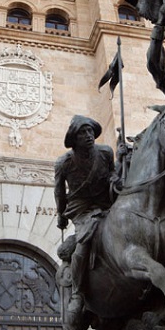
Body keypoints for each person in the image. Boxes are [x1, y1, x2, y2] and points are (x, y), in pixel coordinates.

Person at [54, 115, 116, 314]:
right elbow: (58, 191)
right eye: (83, 132)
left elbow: (114, 173)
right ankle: (78, 293)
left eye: (90, 131)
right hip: (81, 207)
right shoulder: (64, 162)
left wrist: (117, 178)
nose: (89, 136)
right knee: (82, 245)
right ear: (74, 138)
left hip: (106, 201)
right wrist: (61, 214)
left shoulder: (106, 152)